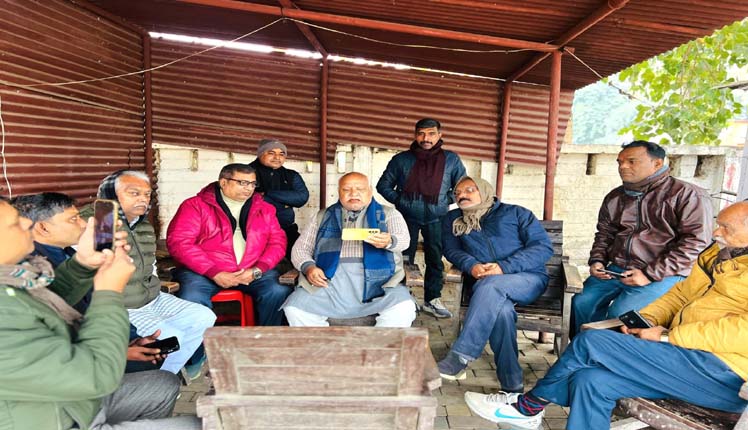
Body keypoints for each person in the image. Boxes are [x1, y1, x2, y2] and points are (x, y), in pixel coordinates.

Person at [462, 201, 748, 430]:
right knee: (591, 381)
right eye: (718, 223)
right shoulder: (719, 255)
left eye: (726, 227)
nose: (716, 232)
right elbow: (681, 295)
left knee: (592, 342)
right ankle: (531, 409)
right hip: (685, 358)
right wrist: (648, 318)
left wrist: (668, 336)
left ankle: (529, 407)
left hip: (725, 376)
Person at [0, 196, 200, 430]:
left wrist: (84, 265)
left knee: (162, 385)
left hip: (70, 403)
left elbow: (50, 299)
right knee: (208, 425)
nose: (27, 223)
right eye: (14, 223)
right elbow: (95, 376)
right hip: (54, 418)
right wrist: (109, 291)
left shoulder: (13, 278)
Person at [13, 192, 166, 373]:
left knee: (152, 357)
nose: (83, 224)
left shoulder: (70, 254)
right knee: (158, 378)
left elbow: (94, 303)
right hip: (73, 363)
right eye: (73, 219)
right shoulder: (28, 269)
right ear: (43, 228)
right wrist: (117, 352)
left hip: (98, 344)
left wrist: (131, 339)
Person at [572, 140, 712, 334]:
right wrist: (598, 260)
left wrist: (649, 274)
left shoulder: (687, 194)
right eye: (620, 162)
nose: (623, 166)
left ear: (657, 163)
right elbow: (604, 233)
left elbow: (695, 243)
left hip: (665, 273)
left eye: (631, 161)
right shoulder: (615, 196)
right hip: (618, 269)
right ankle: (583, 346)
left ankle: (609, 351)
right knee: (582, 302)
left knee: (621, 314)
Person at [436, 177, 553, 393]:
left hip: (527, 279)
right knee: (502, 313)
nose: (462, 195)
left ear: (485, 191)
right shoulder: (453, 219)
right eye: (458, 192)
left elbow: (543, 247)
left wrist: (504, 267)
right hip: (485, 285)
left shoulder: (516, 213)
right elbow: (451, 250)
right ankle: (512, 384)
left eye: (470, 190)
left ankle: (460, 356)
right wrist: (471, 265)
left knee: (492, 285)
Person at [96, 170, 216, 376]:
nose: (143, 199)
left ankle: (167, 376)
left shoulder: (142, 225)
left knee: (203, 316)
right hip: (122, 306)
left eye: (146, 194)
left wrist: (154, 286)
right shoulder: (100, 224)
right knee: (172, 336)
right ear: (110, 195)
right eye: (134, 193)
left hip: (151, 297)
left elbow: (150, 264)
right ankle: (158, 380)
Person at [282, 172, 417, 327]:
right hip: (329, 282)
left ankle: (376, 343)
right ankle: (326, 342)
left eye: (360, 189)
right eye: (346, 189)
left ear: (370, 191)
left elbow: (404, 241)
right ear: (339, 192)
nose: (353, 194)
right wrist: (309, 267)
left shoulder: (389, 214)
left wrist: (389, 241)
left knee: (403, 309)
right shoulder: (322, 216)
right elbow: (300, 249)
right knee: (295, 309)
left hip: (381, 283)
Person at [168, 163, 290, 326]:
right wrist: (214, 272)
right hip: (204, 272)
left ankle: (267, 339)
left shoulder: (265, 208)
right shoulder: (195, 205)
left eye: (253, 183)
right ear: (223, 182)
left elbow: (277, 242)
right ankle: (199, 342)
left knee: (277, 291)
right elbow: (180, 242)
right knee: (192, 296)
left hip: (251, 270)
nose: (249, 188)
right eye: (242, 183)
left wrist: (258, 269)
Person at [377, 118, 466, 318]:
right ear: (415, 135)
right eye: (422, 134)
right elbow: (383, 185)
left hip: (437, 218)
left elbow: (462, 187)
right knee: (402, 258)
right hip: (406, 217)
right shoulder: (401, 160)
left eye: (431, 134)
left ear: (440, 135)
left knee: (435, 259)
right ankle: (403, 299)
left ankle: (432, 299)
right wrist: (400, 201)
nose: (426, 138)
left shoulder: (451, 159)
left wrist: (444, 201)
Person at [249, 138, 310, 268]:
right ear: (260, 154)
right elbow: (250, 200)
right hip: (254, 232)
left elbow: (302, 198)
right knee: (261, 267)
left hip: (286, 229)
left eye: (281, 154)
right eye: (271, 153)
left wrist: (267, 193)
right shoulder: (246, 173)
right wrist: (285, 203)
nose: (277, 157)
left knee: (302, 261)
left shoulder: (290, 175)